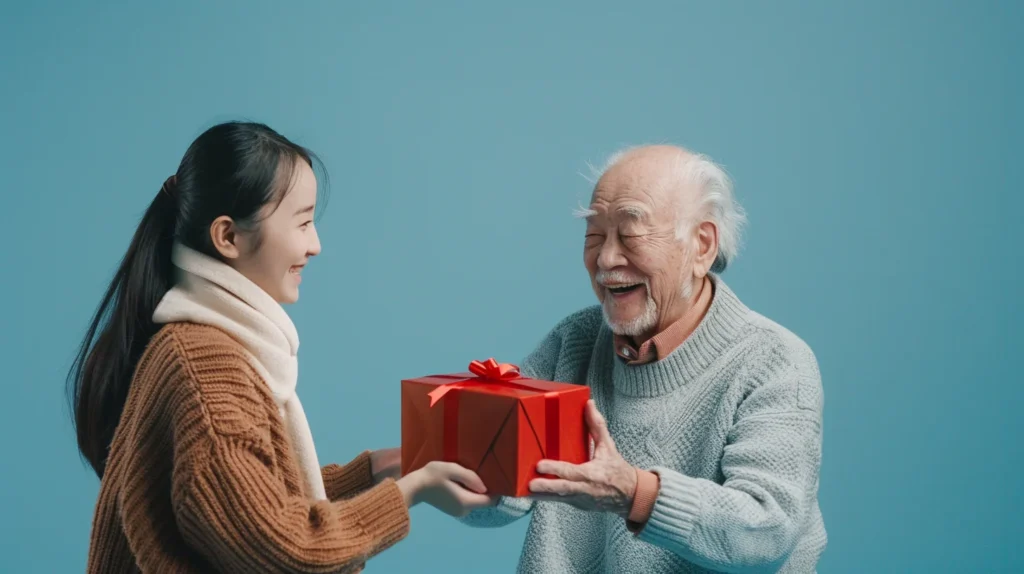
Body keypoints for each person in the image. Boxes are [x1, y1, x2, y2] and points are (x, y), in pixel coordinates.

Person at [68, 121, 494, 573]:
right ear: (228, 238)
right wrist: (413, 492)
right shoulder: (204, 370)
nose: (316, 245)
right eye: (304, 222)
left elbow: (252, 505)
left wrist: (378, 470)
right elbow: (285, 548)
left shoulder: (206, 345)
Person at [460, 145, 827, 573]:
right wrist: (460, 472)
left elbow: (765, 532)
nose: (606, 259)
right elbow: (509, 493)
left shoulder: (775, 362)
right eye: (594, 236)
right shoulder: (572, 341)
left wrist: (633, 493)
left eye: (630, 235)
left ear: (701, 245)